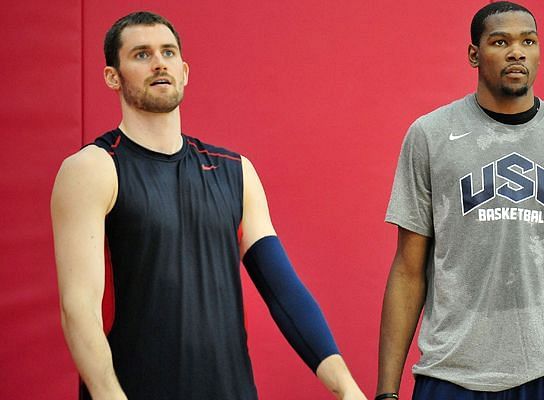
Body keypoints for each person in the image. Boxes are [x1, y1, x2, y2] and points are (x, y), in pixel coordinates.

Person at [51, 11, 366, 400]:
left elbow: (284, 291)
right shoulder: (93, 169)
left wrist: (348, 389)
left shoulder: (235, 172)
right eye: (141, 55)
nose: (159, 63)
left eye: (168, 53)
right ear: (112, 76)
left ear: (184, 71)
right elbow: (78, 308)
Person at [376, 2, 544, 400]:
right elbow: (408, 271)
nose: (517, 52)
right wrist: (386, 391)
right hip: (451, 372)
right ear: (474, 54)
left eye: (528, 41)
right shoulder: (430, 135)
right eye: (500, 41)